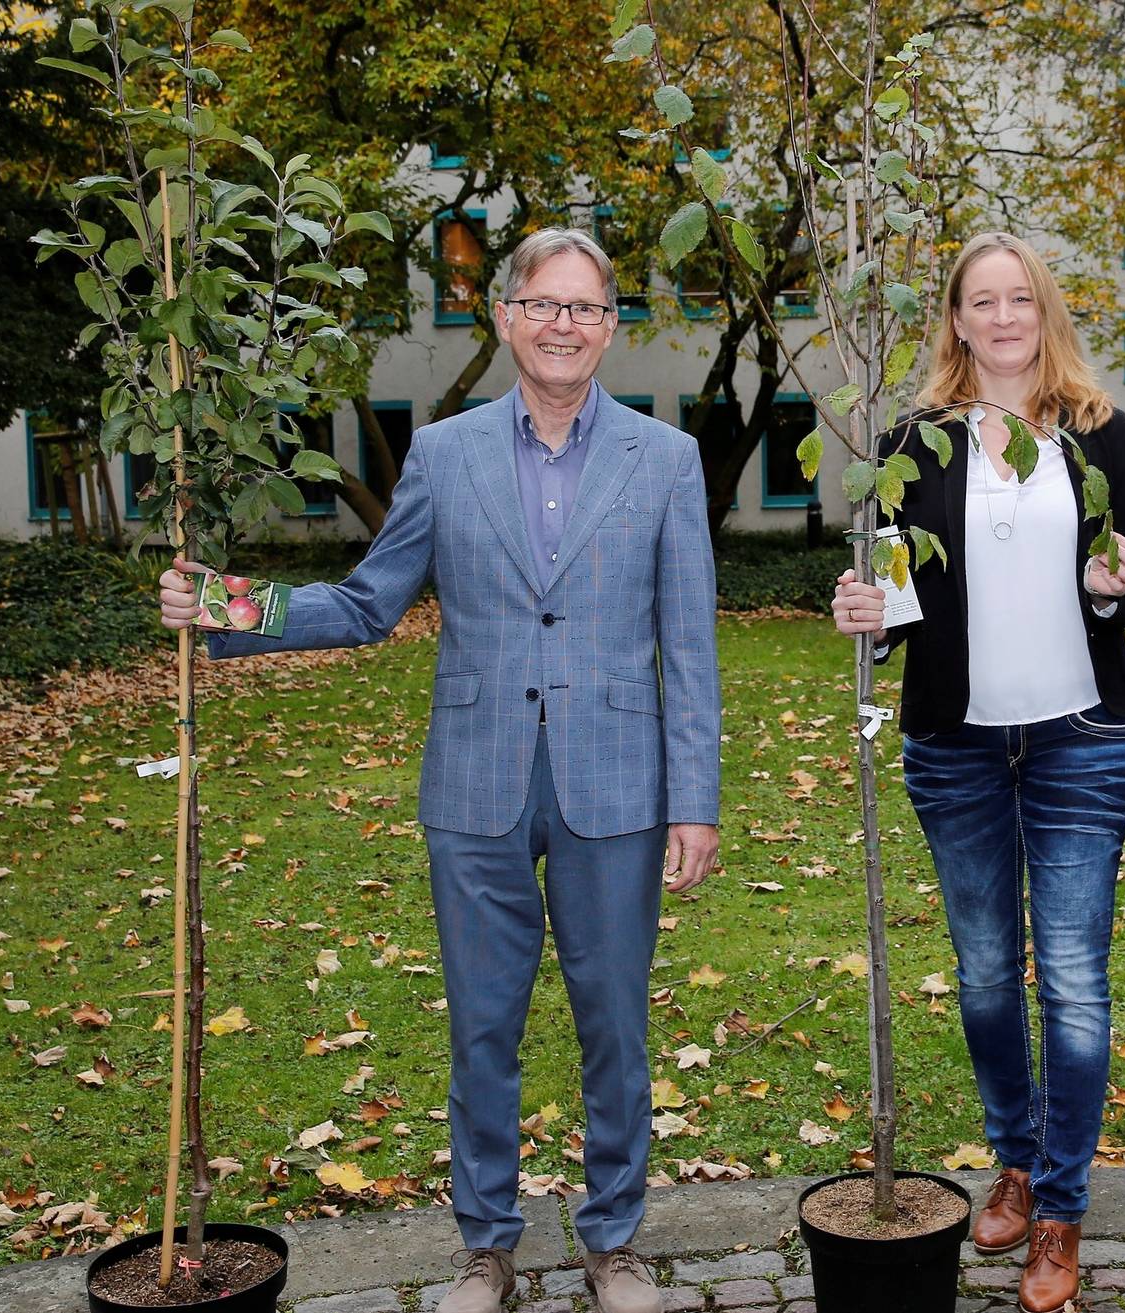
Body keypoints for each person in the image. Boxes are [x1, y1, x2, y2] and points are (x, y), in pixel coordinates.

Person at [156, 227, 720, 1313]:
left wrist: (693, 797)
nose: (564, 324)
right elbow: (370, 601)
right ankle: (486, 1247)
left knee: (616, 1024)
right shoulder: (447, 451)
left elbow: (688, 645)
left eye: (586, 309)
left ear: (611, 329)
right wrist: (232, 605)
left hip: (620, 786)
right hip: (476, 787)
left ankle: (615, 1244)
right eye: (543, 304)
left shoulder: (668, 460)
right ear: (505, 317)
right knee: (481, 1024)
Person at [832, 231, 1125, 1313]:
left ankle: (1058, 1207)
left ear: (1043, 311)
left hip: (1081, 740)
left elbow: (1122, 586)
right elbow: (897, 595)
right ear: (957, 319)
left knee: (1072, 979)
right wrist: (868, 611)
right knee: (980, 974)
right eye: (983, 301)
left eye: (1022, 298)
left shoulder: (1100, 432)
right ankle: (1014, 1156)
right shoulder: (913, 440)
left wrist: (1117, 582)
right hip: (956, 743)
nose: (1005, 316)